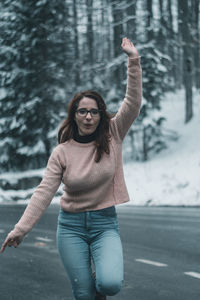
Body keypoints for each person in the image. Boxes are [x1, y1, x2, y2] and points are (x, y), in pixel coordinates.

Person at [1, 37, 142, 300]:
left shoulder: (113, 133)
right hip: (71, 228)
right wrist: (20, 229)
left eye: (95, 112)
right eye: (82, 111)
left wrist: (133, 60)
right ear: (74, 115)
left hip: (104, 224)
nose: (89, 117)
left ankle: (101, 282)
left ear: (102, 115)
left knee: (109, 284)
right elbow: (43, 192)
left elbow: (132, 103)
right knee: (83, 294)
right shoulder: (62, 152)